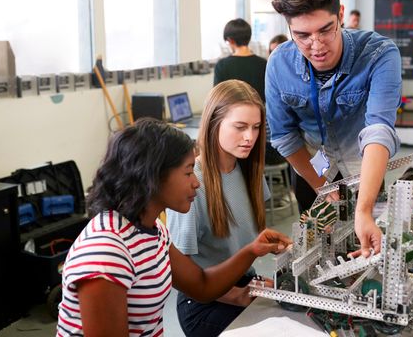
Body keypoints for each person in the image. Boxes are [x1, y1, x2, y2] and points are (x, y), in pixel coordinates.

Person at [56, 118, 290, 336]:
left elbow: (202, 286)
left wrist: (251, 250)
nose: (196, 182)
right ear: (153, 176)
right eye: (188, 172)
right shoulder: (107, 253)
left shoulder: (151, 230)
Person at [266, 0, 402, 258]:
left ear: (340, 15)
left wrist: (363, 209)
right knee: (316, 250)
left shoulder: (379, 54)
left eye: (325, 30)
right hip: (311, 167)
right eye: (302, 35)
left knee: (367, 246)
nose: (316, 46)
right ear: (289, 29)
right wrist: (322, 187)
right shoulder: (279, 64)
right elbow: (283, 135)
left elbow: (379, 129)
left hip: (364, 164)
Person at [166, 80, 271, 336]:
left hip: (244, 280)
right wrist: (236, 295)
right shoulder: (193, 183)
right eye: (240, 127)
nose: (250, 137)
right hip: (205, 302)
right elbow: (181, 272)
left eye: (256, 128)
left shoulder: (249, 171)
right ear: (214, 123)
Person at [214, 18, 267, 103]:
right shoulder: (263, 63)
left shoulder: (222, 66)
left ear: (230, 40)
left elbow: (217, 99)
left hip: (232, 114)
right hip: (259, 113)